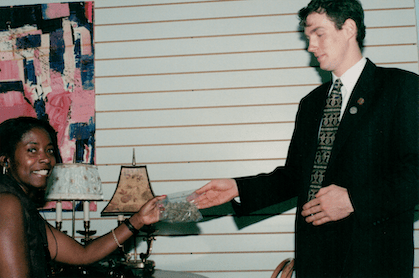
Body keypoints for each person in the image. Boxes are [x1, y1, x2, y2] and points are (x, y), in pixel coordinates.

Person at [192, 0, 419, 277]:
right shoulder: (311, 103)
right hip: (316, 260)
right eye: (308, 37)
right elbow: (295, 176)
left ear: (348, 28)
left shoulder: (402, 89)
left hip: (373, 262)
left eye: (318, 33)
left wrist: (354, 201)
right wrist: (239, 188)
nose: (310, 46)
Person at [0, 116, 166, 277]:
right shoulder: (7, 204)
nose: (45, 158)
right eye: (32, 150)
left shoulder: (20, 205)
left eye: (49, 150)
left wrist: (139, 219)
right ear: (5, 160)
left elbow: (83, 255)